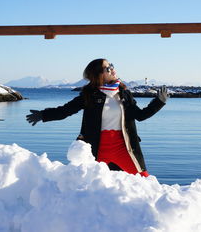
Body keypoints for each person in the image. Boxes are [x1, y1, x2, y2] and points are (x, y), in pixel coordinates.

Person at [26, 58, 168, 177]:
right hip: (97, 147)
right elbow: (66, 110)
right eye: (108, 68)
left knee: (144, 180)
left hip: (123, 147)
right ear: (99, 75)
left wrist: (159, 102)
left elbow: (140, 116)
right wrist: (43, 115)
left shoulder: (124, 93)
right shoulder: (89, 95)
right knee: (89, 183)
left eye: (111, 65)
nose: (112, 69)